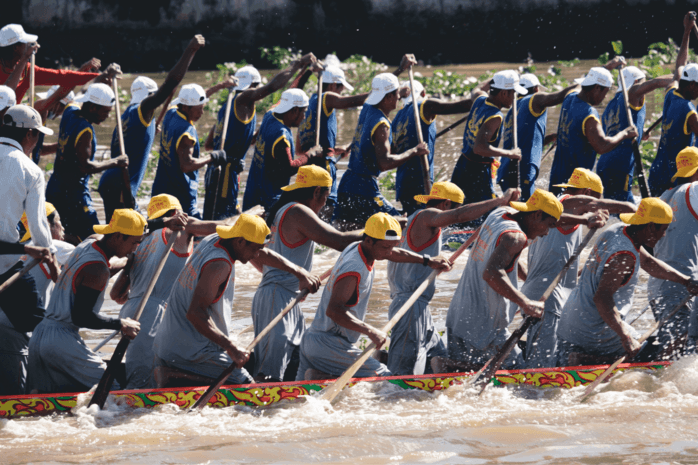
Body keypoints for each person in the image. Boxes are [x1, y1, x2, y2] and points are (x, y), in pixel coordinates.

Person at [153, 214, 321, 387]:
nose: (256, 254)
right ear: (240, 241)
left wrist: (300, 272)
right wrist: (231, 348)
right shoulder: (219, 265)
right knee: (248, 388)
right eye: (254, 248)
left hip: (171, 342)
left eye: (259, 248)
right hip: (191, 351)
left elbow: (262, 252)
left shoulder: (218, 238)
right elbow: (195, 313)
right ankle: (172, 377)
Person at [109, 194, 246, 389]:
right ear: (177, 214)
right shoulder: (182, 227)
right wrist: (248, 222)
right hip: (154, 314)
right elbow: (225, 229)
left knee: (139, 377)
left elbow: (116, 295)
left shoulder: (140, 241)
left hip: (131, 311)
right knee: (143, 387)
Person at [386, 182, 520, 376]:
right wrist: (499, 201)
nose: (453, 220)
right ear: (446, 204)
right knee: (401, 375)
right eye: (455, 208)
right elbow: (459, 215)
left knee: (440, 357)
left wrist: (434, 264)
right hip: (410, 307)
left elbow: (411, 265)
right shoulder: (426, 216)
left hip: (418, 306)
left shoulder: (416, 220)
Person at [296, 213, 450, 381]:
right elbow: (334, 311)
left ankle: (319, 377)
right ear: (369, 240)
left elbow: (394, 253)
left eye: (391, 246)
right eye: (385, 247)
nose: (389, 252)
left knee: (297, 397)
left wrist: (427, 261)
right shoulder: (354, 268)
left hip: (315, 341)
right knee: (386, 381)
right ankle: (319, 376)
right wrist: (370, 331)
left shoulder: (359, 246)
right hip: (327, 344)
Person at [251, 165, 364, 382]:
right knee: (269, 376)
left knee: (297, 365)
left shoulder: (281, 210)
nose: (324, 205)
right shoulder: (297, 211)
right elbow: (339, 241)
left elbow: (256, 256)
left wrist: (284, 278)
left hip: (283, 296)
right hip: (277, 298)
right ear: (316, 192)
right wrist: (376, 234)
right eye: (326, 197)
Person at [556, 197, 698, 366]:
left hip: (571, 320)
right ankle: (588, 360)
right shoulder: (624, 256)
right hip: (591, 328)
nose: (664, 235)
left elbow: (648, 263)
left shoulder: (618, 230)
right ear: (651, 226)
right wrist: (626, 337)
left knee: (646, 341)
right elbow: (602, 299)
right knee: (658, 353)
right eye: (664, 229)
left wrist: (686, 281)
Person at [521, 168, 636, 368]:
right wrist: (632, 208)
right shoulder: (565, 203)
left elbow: (567, 264)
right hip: (548, 298)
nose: (599, 204)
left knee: (543, 358)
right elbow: (591, 204)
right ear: (588, 193)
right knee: (541, 367)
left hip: (539, 294)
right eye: (599, 198)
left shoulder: (554, 213)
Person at [26, 209, 144, 393]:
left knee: (43, 401)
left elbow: (98, 269)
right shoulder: (98, 270)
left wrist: (125, 264)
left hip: (39, 336)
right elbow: (82, 317)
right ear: (119, 236)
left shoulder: (89, 242)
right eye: (135, 242)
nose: (136, 248)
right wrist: (121, 323)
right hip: (61, 340)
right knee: (111, 391)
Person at [445, 189, 563, 370]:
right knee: (516, 374)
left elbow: (508, 261)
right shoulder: (515, 237)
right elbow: (491, 273)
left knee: (466, 375)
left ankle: (447, 366)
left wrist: (529, 280)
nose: (546, 233)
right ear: (537, 214)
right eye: (549, 225)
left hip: (459, 314)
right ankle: (445, 365)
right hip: (484, 325)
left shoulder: (499, 213)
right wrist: (525, 303)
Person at [98, 35, 207, 222]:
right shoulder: (142, 109)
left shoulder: (127, 115)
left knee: (115, 233)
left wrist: (149, 132)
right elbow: (169, 84)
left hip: (109, 181)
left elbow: (134, 140)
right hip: (122, 185)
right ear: (149, 97)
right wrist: (190, 50)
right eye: (154, 98)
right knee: (127, 236)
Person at [203, 53, 317, 220]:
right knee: (222, 221)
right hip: (226, 174)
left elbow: (209, 144)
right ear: (253, 86)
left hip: (220, 171)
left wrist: (307, 71)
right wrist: (297, 64)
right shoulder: (243, 99)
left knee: (224, 215)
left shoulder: (230, 106)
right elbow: (272, 88)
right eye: (256, 88)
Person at [0, 104, 58, 395]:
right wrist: (50, 258)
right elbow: (40, 232)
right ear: (31, 135)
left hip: (7, 256)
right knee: (43, 326)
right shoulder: (30, 170)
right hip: (5, 266)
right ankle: (39, 394)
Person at [332, 71, 429, 230]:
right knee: (400, 223)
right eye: (397, 94)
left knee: (347, 228)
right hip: (364, 186)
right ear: (388, 97)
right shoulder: (382, 125)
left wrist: (400, 83)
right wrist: (414, 151)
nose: (399, 97)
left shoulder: (367, 107)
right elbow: (384, 163)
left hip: (347, 182)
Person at [45, 80, 127, 243]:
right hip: (74, 194)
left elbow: (81, 92)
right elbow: (86, 166)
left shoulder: (70, 110)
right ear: (92, 108)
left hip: (55, 187)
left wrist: (105, 77)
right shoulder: (85, 131)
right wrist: (116, 162)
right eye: (105, 112)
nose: (107, 116)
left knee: (63, 232)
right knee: (94, 238)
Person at [393, 78, 490, 215]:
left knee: (414, 215)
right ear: (424, 93)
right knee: (423, 219)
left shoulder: (398, 117)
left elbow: (395, 148)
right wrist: (486, 101)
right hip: (420, 178)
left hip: (402, 182)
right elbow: (460, 106)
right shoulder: (426, 106)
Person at [449, 70, 525, 228]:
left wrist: (496, 79)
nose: (515, 98)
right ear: (504, 93)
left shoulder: (480, 99)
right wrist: (509, 153)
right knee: (491, 209)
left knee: (461, 208)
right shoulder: (495, 116)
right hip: (477, 172)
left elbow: (476, 89)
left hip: (462, 165)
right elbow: (480, 148)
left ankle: (457, 238)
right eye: (513, 93)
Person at [548, 63, 638, 195]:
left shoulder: (569, 97)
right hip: (575, 184)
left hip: (557, 175)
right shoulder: (589, 114)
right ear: (597, 88)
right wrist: (624, 133)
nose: (605, 97)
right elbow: (602, 146)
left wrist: (609, 66)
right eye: (605, 92)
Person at [646, 147, 698, 360]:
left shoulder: (664, 197)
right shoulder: (694, 190)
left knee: (677, 352)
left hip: (658, 284)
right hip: (681, 285)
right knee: (677, 356)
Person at [296, 65, 364, 220]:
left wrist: (332, 149)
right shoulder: (326, 97)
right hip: (323, 165)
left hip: (307, 166)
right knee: (327, 205)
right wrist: (380, 93)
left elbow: (299, 148)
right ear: (333, 85)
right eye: (340, 89)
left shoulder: (308, 102)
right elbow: (351, 102)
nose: (340, 93)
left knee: (309, 207)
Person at [151, 83, 228, 219]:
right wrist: (212, 157)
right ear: (186, 107)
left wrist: (221, 86)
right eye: (199, 109)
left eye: (202, 108)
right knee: (194, 230)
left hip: (161, 189)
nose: (201, 113)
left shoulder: (171, 111)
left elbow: (196, 97)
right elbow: (187, 165)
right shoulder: (186, 132)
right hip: (180, 196)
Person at [497, 74, 579, 201]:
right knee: (527, 211)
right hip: (522, 169)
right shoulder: (534, 100)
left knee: (513, 209)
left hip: (505, 170)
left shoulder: (513, 108)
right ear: (536, 89)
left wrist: (549, 138)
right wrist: (582, 85)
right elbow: (559, 97)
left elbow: (524, 142)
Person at [596, 67, 673, 201]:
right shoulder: (631, 94)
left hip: (604, 164)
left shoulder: (611, 104)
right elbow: (655, 83)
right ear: (637, 82)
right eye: (642, 83)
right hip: (620, 164)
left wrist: (640, 130)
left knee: (613, 205)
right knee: (625, 208)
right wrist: (681, 80)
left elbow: (614, 128)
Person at [241, 89, 324, 211]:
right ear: (295, 110)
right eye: (304, 112)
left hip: (252, 193)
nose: (304, 117)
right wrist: (310, 154)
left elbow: (293, 88)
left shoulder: (269, 114)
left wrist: (306, 71)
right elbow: (289, 168)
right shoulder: (281, 136)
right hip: (267, 200)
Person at [649, 12, 698, 196]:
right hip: (674, 178)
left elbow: (680, 65)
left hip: (657, 173)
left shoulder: (672, 92)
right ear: (693, 85)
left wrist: (687, 31)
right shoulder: (689, 111)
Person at [0, 24, 100, 102]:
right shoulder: (23, 65)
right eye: (25, 43)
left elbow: (61, 76)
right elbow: (4, 96)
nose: (28, 45)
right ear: (15, 47)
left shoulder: (27, 69)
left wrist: (95, 76)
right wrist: (25, 58)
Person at [19, 203, 75, 307]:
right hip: (34, 320)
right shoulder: (54, 246)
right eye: (59, 220)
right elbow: (90, 260)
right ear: (47, 223)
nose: (62, 228)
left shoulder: (18, 248)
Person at [31, 84, 75, 164]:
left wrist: (60, 146)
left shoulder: (43, 118)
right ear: (58, 104)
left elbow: (38, 148)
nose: (61, 114)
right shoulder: (37, 112)